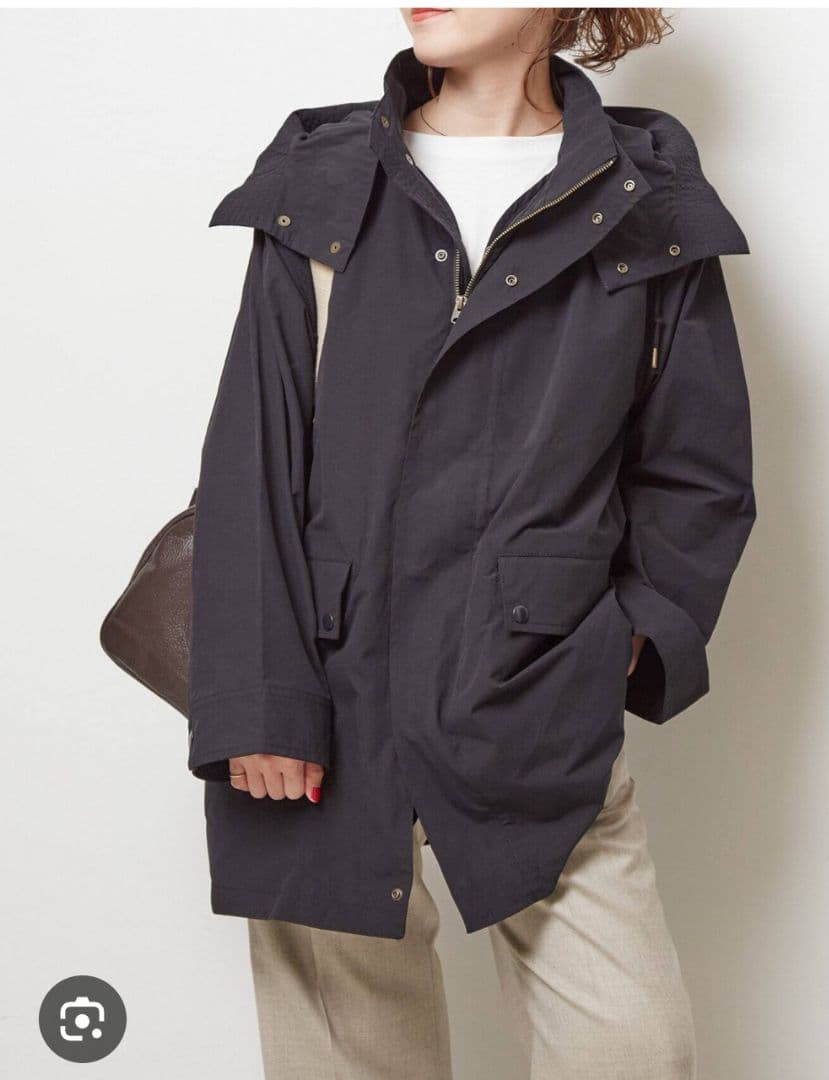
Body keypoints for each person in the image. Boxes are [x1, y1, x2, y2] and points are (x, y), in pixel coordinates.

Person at [187, 8, 756, 1078]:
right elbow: (252, 455)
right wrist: (258, 699)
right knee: (348, 1056)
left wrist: (619, 642)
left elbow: (697, 468)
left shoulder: (646, 200)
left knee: (631, 1047)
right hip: (323, 687)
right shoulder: (325, 177)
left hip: (538, 685)